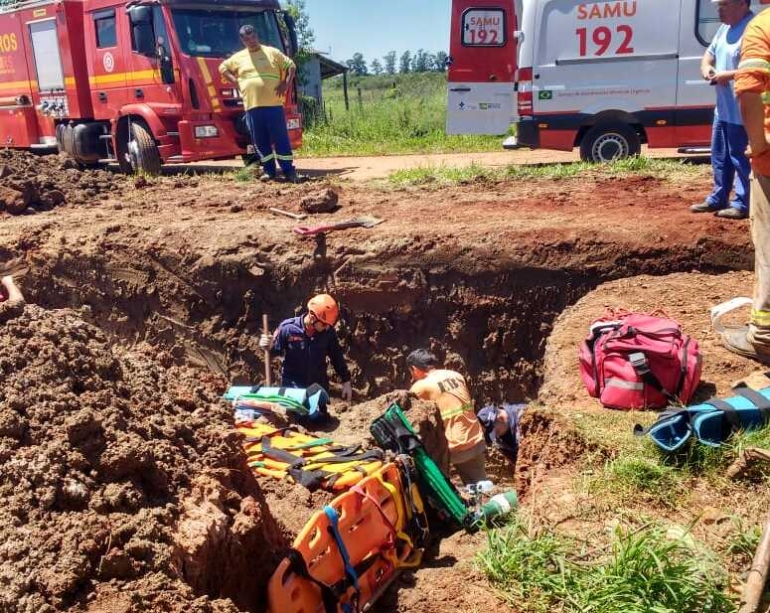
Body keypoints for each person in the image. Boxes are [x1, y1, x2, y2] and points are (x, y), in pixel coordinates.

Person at [728, 6, 770, 361]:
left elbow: (749, 90)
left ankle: (764, 336)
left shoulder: (762, 27)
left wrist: (758, 146)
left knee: (769, 246)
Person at [691, 0, 754, 220]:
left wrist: (726, 75)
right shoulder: (724, 28)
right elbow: (709, 55)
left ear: (741, 5)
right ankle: (719, 197)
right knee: (720, 157)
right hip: (723, 109)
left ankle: (743, 203)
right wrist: (707, 67)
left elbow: (758, 67)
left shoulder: (752, 29)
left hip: (741, 109)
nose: (719, 10)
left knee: (740, 158)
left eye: (724, 5)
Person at [219, 25, 302, 183]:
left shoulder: (272, 52)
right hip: (252, 107)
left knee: (281, 139)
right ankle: (269, 171)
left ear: (257, 35)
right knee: (260, 141)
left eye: (253, 37)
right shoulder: (239, 57)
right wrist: (236, 82)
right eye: (247, 39)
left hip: (274, 107)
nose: (252, 41)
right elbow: (223, 68)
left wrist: (286, 83)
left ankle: (289, 171)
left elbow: (291, 66)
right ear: (243, 40)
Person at [406, 349, 487, 485]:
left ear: (414, 369)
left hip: (454, 448)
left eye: (411, 373)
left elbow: (408, 414)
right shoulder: (455, 375)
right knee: (481, 486)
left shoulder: (420, 386)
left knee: (435, 484)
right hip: (476, 440)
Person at [259, 294, 353, 400]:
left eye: (328, 325)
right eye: (324, 324)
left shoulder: (328, 333)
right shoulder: (288, 328)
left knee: (318, 416)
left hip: (317, 388)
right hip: (293, 389)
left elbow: (337, 357)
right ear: (313, 317)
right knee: (299, 415)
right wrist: (268, 345)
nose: (327, 327)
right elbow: (273, 351)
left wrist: (346, 381)